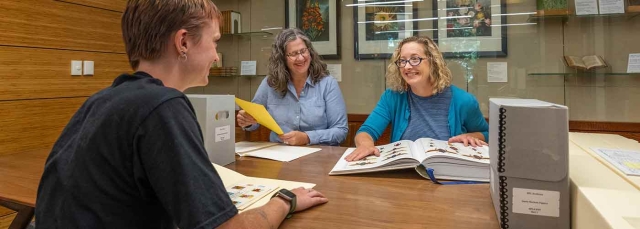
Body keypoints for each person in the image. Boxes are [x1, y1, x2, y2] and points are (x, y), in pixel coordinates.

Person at [35, 1, 327, 228]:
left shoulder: (101, 100)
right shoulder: (164, 106)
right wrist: (285, 200)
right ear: (183, 42)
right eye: (214, 42)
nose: (216, 55)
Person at [345, 36, 488, 162]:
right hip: (405, 173)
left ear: (433, 61)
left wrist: (472, 136)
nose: (407, 66)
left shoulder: (464, 100)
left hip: (449, 176)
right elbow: (366, 131)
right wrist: (366, 145)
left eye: (415, 59)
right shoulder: (392, 97)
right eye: (402, 61)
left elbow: (489, 135)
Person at [236, 28, 348, 146]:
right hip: (280, 154)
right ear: (282, 58)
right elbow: (254, 120)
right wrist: (247, 121)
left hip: (319, 156)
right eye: (293, 54)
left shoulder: (328, 84)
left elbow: (341, 131)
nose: (300, 58)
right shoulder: (270, 83)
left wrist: (307, 138)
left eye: (303, 51)